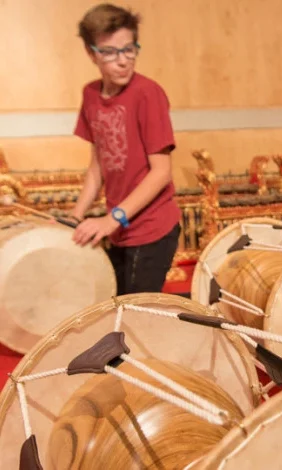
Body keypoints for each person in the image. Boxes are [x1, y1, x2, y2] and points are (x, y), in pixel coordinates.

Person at [68, 3, 181, 296]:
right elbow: (97, 167)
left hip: (152, 228)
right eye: (110, 52)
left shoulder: (147, 93)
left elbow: (161, 172)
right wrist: (76, 215)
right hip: (119, 230)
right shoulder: (90, 94)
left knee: (136, 317)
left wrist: (112, 218)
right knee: (112, 308)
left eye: (129, 49)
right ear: (91, 53)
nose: (123, 61)